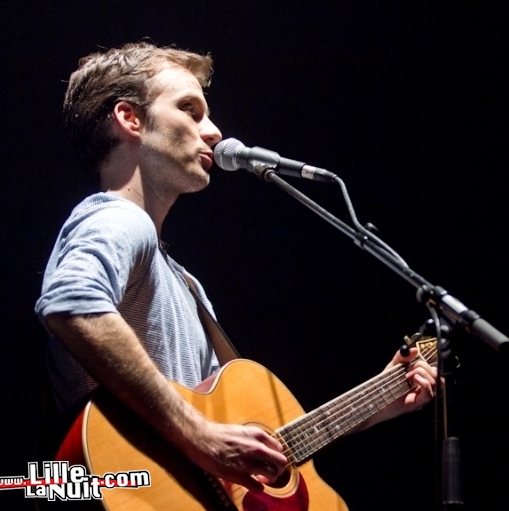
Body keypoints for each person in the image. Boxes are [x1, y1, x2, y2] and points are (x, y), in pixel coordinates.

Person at [35, 42, 436, 492]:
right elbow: (72, 304)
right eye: (190, 110)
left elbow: (243, 443)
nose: (213, 131)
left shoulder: (185, 282)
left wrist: (378, 401)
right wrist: (199, 435)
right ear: (130, 119)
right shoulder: (119, 218)